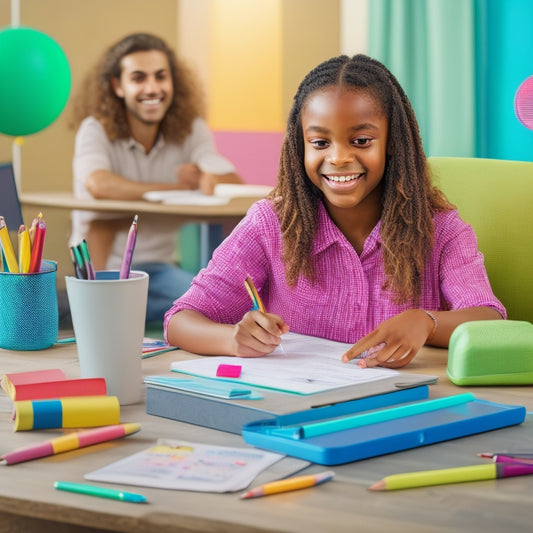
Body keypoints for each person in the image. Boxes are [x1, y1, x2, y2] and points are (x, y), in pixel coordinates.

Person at [164, 54, 505, 368]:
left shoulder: (442, 229)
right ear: (301, 146)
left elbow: (490, 320)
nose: (339, 157)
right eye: (320, 143)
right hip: (299, 406)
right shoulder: (271, 224)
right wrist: (233, 339)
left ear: (392, 144)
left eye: (361, 141)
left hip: (406, 406)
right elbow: (180, 319)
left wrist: (427, 323)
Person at [69, 33, 242, 322]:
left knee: (218, 304)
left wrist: (208, 176)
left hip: (158, 270)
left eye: (161, 76)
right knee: (203, 306)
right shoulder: (94, 129)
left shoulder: (191, 129)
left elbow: (230, 180)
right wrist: (178, 186)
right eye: (138, 77)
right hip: (103, 269)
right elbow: (98, 184)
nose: (152, 88)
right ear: (117, 86)